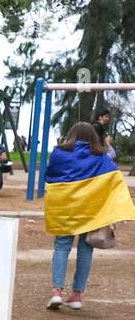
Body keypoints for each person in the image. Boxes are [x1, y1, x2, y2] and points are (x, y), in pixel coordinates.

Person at [44, 122, 135, 310]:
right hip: (90, 212)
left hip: (66, 210)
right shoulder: (101, 157)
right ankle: (77, 295)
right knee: (86, 250)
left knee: (61, 246)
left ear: (71, 135)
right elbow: (114, 178)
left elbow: (49, 176)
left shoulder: (59, 153)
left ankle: (57, 292)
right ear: (94, 137)